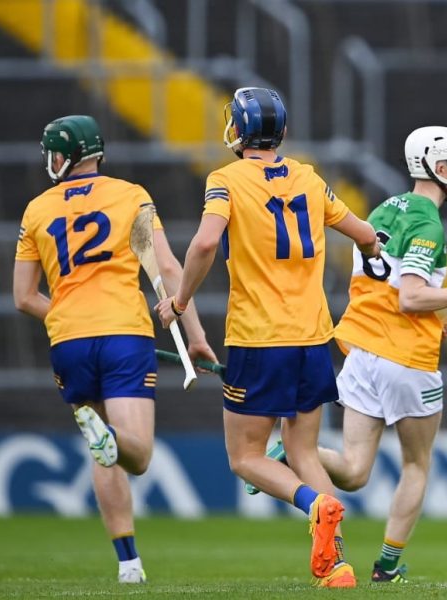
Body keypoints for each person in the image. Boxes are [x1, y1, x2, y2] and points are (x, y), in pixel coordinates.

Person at [154, 87, 379, 589]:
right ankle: (335, 565)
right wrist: (380, 252)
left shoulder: (225, 179)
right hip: (313, 337)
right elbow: (364, 233)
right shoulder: (309, 177)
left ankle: (314, 505)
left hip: (259, 339)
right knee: (302, 451)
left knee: (247, 457)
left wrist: (181, 302)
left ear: (236, 130)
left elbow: (208, 240)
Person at [256, 126, 447, 583]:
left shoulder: (385, 208)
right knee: (416, 464)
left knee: (353, 471)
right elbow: (410, 298)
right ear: (440, 166)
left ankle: (286, 455)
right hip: (406, 359)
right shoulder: (428, 221)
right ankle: (387, 568)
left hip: (361, 352)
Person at [13, 115, 218, 584]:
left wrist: (70, 317)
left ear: (63, 157)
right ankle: (108, 440)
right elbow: (165, 268)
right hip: (125, 335)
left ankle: (129, 564)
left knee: (102, 451)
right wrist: (196, 336)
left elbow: (24, 297)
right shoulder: (132, 196)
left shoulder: (36, 210)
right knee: (138, 454)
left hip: (68, 341)